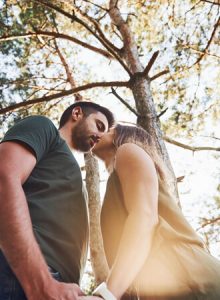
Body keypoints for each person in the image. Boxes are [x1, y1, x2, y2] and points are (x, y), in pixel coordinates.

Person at [0, 101, 114, 300]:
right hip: (20, 277)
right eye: (99, 125)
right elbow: (4, 177)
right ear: (77, 113)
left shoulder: (71, 173)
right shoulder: (44, 128)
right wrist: (40, 282)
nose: (101, 136)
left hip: (54, 287)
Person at [92, 124, 220, 300]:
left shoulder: (128, 149)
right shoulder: (116, 182)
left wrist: (107, 294)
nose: (97, 133)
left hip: (189, 277)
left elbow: (144, 217)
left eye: (107, 128)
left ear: (123, 135)